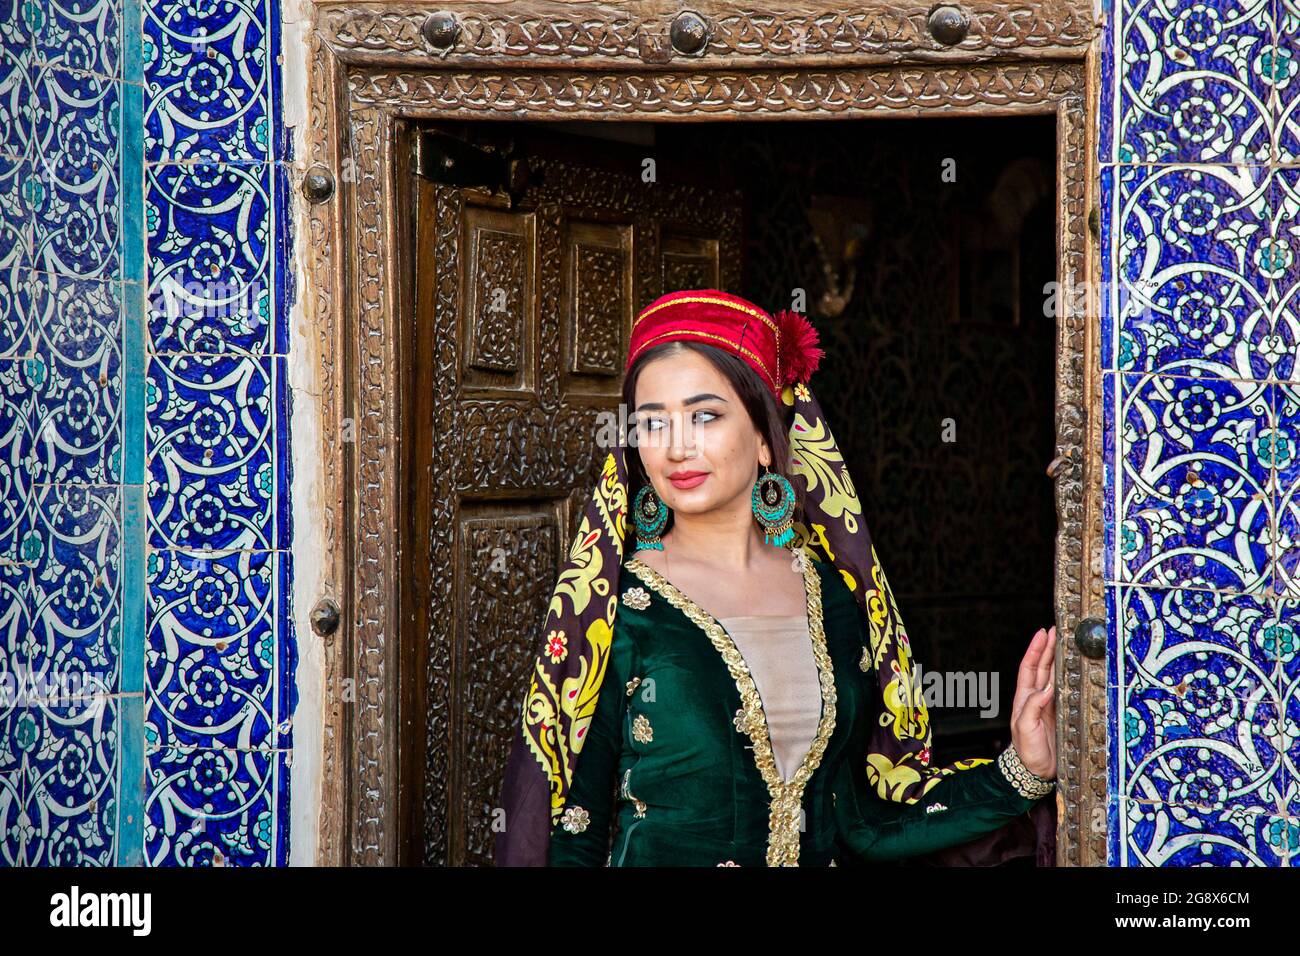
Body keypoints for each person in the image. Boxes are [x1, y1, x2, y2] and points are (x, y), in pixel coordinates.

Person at [496, 289, 1057, 867]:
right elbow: (573, 834)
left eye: (705, 415)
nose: (677, 447)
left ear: (765, 437)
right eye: (651, 423)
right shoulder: (616, 612)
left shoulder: (834, 599)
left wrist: (1022, 770)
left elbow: (865, 822)